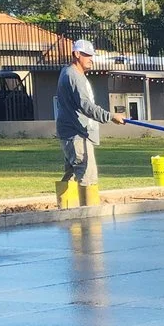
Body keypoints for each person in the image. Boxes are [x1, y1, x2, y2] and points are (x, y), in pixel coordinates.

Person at [54, 37, 117, 207]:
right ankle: (89, 216)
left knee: (71, 173)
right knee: (87, 175)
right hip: (76, 133)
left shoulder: (68, 72)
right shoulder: (74, 76)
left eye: (91, 55)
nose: (91, 59)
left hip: (71, 132)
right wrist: (110, 116)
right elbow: (85, 105)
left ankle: (66, 212)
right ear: (76, 54)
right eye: (87, 55)